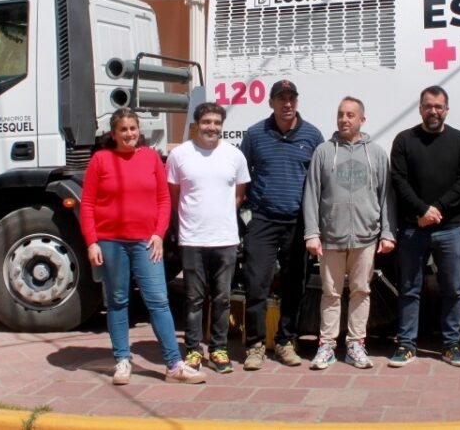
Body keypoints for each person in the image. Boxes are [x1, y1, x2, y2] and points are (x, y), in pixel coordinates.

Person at [79, 107, 205, 385]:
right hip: (110, 243)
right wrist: (92, 242)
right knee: (117, 301)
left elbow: (164, 200)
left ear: (139, 130)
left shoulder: (150, 157)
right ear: (113, 134)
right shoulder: (100, 160)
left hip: (146, 242)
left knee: (158, 301)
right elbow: (87, 204)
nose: (129, 134)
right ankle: (122, 360)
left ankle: (174, 364)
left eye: (132, 128)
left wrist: (159, 234)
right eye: (123, 129)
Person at [302, 97, 396, 370]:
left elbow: (386, 196)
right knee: (330, 293)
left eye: (350, 115)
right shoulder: (323, 152)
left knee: (361, 291)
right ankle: (327, 345)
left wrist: (387, 232)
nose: (344, 119)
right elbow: (311, 194)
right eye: (341, 114)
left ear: (362, 120)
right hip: (331, 236)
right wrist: (312, 232)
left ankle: (355, 344)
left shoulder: (376, 153)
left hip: (366, 237)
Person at [388, 85, 460, 367]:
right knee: (409, 289)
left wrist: (436, 209)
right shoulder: (404, 140)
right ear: (420, 109)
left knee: (453, 290)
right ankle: (406, 345)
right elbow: (398, 180)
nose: (433, 111)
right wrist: (422, 210)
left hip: (450, 229)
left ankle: (451, 345)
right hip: (413, 228)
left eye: (438, 106)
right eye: (428, 106)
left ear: (446, 110)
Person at [239, 80, 324, 370]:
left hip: (298, 222)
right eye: (281, 98)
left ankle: (286, 341)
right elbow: (241, 175)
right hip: (262, 220)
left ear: (297, 101)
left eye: (291, 98)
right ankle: (254, 345)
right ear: (271, 102)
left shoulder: (312, 135)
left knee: (294, 284)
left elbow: (319, 180)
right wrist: (244, 213)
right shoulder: (255, 134)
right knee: (256, 284)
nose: (287, 103)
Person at [167, 102, 250, 375]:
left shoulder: (234, 155)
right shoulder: (179, 155)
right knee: (194, 299)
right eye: (206, 122)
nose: (211, 127)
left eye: (216, 122)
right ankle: (193, 350)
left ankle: (218, 349)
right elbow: (174, 196)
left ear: (221, 126)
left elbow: (238, 196)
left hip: (225, 239)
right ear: (196, 124)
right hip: (192, 239)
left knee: (222, 298)